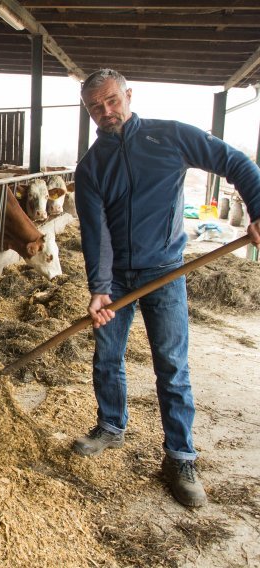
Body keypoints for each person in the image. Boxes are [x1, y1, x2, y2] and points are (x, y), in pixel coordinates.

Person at [73, 68, 260, 507]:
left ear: (128, 95)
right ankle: (111, 426)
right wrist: (100, 287)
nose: (107, 112)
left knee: (172, 366)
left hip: (166, 272)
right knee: (108, 356)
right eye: (96, 107)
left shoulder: (170, 136)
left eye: (112, 101)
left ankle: (180, 456)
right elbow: (95, 232)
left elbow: (237, 163)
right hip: (117, 276)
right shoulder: (90, 167)